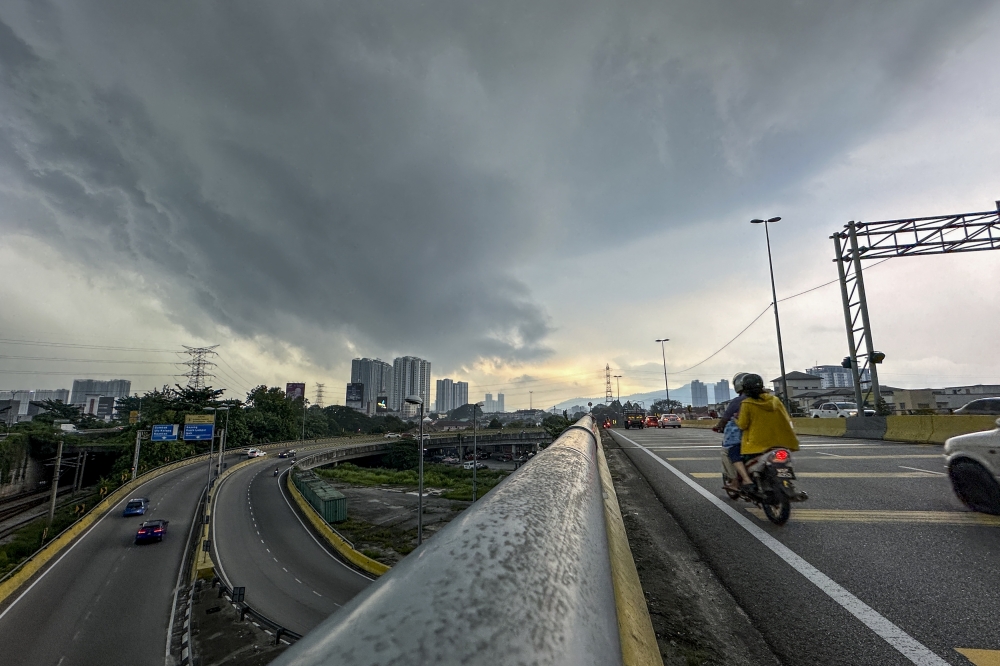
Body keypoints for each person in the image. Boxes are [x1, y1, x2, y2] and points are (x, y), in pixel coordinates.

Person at [735, 374, 799, 469]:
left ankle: (748, 481)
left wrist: (736, 419)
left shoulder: (747, 403)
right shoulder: (775, 400)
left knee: (746, 465)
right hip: (781, 443)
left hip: (756, 445)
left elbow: (742, 425)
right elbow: (786, 418)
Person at [713, 372, 753, 490]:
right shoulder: (771, 399)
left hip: (749, 439)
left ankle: (736, 481)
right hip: (774, 439)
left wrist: (720, 426)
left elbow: (726, 419)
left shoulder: (740, 401)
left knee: (728, 452)